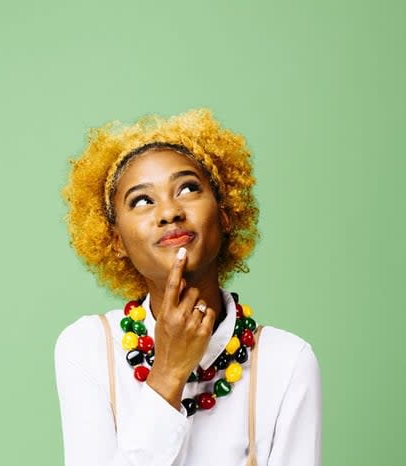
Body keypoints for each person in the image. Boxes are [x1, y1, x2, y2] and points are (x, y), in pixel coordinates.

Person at [55, 109, 321, 466]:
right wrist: (167, 373)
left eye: (188, 188)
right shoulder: (87, 347)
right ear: (115, 240)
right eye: (142, 200)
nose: (169, 212)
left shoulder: (287, 360)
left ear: (225, 216)